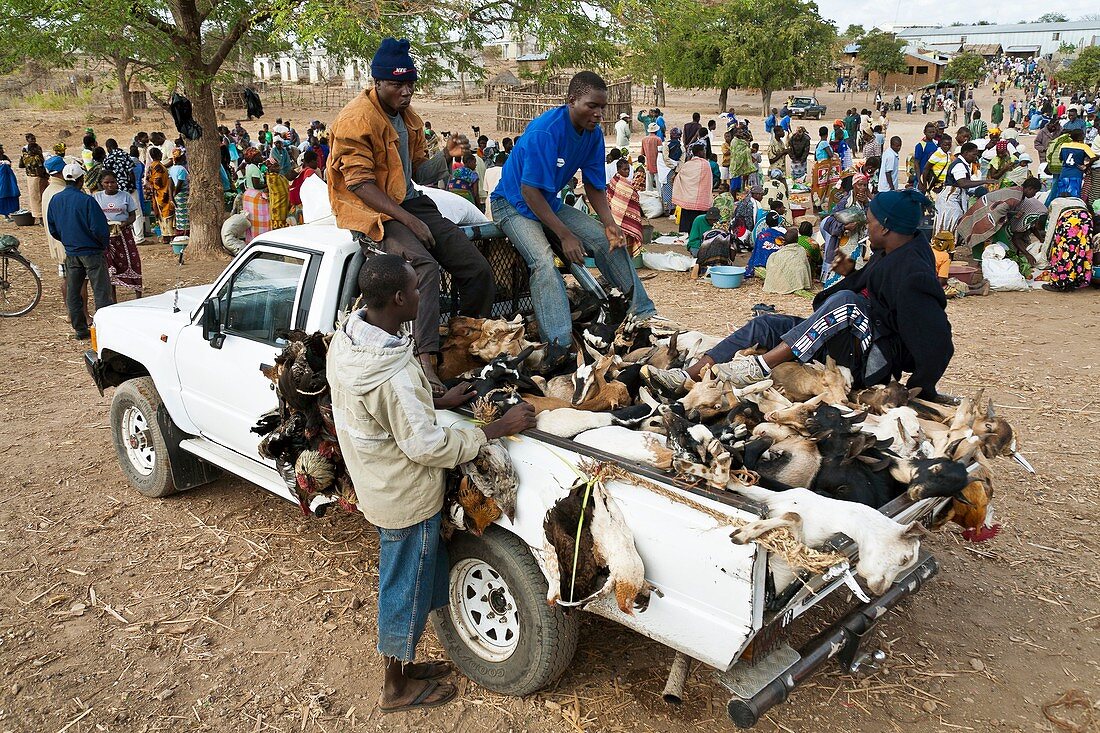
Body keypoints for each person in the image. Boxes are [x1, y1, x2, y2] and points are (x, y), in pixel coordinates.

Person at [327, 254, 536, 714]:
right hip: (405, 496)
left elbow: (388, 411)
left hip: (378, 482)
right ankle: (394, 688)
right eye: (418, 290)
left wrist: (437, 395)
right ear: (399, 298)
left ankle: (404, 666)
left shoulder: (350, 341)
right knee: (406, 588)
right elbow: (425, 447)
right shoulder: (392, 377)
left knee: (412, 581)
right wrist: (494, 429)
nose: (425, 296)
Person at [643, 189, 954, 400]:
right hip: (846, 340)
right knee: (766, 324)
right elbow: (873, 285)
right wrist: (848, 271)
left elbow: (938, 341)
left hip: (870, 361)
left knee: (848, 303)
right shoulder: (889, 253)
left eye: (870, 224)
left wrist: (919, 388)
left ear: (886, 228)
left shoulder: (914, 272)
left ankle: (758, 367)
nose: (867, 229)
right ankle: (688, 377)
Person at [328, 38, 495, 394]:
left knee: (477, 267)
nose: (405, 92)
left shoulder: (409, 118)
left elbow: (419, 171)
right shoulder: (356, 120)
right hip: (373, 211)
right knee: (423, 267)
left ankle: (464, 343)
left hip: (409, 200)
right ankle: (426, 360)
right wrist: (407, 220)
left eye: (410, 85)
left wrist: (447, 156)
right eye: (396, 84)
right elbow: (358, 184)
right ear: (377, 82)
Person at [491, 71, 665, 354]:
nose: (598, 114)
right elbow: (529, 192)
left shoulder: (593, 135)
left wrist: (610, 224)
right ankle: (559, 344)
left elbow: (594, 186)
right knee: (544, 262)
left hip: (548, 202)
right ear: (571, 100)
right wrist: (565, 234)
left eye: (602, 107)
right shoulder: (544, 132)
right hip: (512, 204)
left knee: (607, 240)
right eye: (591, 106)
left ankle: (644, 315)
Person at [47, 163, 115, 340]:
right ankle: (103, 330)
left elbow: (53, 228)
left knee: (74, 291)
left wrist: (68, 241)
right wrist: (103, 244)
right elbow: (99, 228)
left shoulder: (56, 200)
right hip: (92, 251)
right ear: (81, 180)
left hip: (72, 252)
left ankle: (80, 329)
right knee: (101, 291)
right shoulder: (87, 201)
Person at [954, 178, 1044, 263]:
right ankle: (982, 260)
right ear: (1030, 188)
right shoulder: (1016, 197)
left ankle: (986, 258)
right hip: (988, 210)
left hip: (987, 205)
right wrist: (1004, 219)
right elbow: (1000, 209)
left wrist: (1012, 214)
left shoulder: (1018, 191)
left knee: (982, 232)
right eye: (1035, 192)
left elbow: (1004, 206)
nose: (1034, 195)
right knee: (981, 232)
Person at [93, 172, 142, 298]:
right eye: (106, 182)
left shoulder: (125, 196)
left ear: (117, 182)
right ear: (102, 184)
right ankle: (112, 297)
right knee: (109, 265)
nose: (110, 185)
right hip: (105, 235)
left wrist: (124, 223)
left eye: (113, 182)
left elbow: (132, 215)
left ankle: (137, 293)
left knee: (132, 261)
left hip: (123, 234)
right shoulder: (96, 197)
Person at [933, 142, 993, 235]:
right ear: (965, 153)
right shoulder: (959, 165)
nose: (975, 157)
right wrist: (985, 181)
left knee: (953, 221)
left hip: (955, 197)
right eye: (973, 154)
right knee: (951, 220)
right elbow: (963, 183)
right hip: (950, 198)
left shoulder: (963, 164)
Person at [1043, 199, 1093, 292]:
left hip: (1069, 219)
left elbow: (1050, 230)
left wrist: (1045, 250)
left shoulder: (1054, 203)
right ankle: (1075, 280)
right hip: (1086, 218)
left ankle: (1059, 283)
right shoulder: (1078, 201)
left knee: (1064, 250)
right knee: (1082, 249)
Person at [673, 141, 714, 234]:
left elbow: (680, 176)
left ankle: (687, 233)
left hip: (688, 199)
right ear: (700, 152)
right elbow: (708, 181)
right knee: (699, 221)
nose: (704, 153)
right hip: (700, 199)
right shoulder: (705, 164)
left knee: (688, 221)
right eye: (703, 151)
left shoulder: (688, 164)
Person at [144, 148, 174, 243]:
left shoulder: (151, 166)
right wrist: (160, 187)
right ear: (158, 155)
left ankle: (165, 236)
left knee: (162, 214)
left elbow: (148, 180)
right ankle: (169, 236)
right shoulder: (158, 167)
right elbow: (157, 180)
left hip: (158, 194)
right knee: (167, 213)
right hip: (163, 193)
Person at [240, 148, 270, 243]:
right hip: (255, 196)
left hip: (249, 195)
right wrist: (269, 183)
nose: (261, 157)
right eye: (259, 156)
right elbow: (257, 185)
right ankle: (260, 239)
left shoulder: (251, 167)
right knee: (261, 219)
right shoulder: (254, 168)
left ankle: (252, 239)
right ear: (253, 158)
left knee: (252, 220)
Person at [18, 133, 48, 224]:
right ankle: (41, 217)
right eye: (32, 139)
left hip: (34, 176)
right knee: (38, 197)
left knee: (37, 196)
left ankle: (40, 216)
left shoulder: (33, 148)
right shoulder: (29, 150)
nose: (33, 140)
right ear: (27, 140)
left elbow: (22, 164)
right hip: (35, 176)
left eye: (34, 138)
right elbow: (36, 164)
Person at [641, 123, 662, 190]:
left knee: (648, 185)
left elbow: (643, 153)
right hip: (657, 164)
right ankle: (660, 197)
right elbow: (660, 152)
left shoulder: (644, 139)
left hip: (648, 164)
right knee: (659, 183)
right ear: (656, 130)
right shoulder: (658, 139)